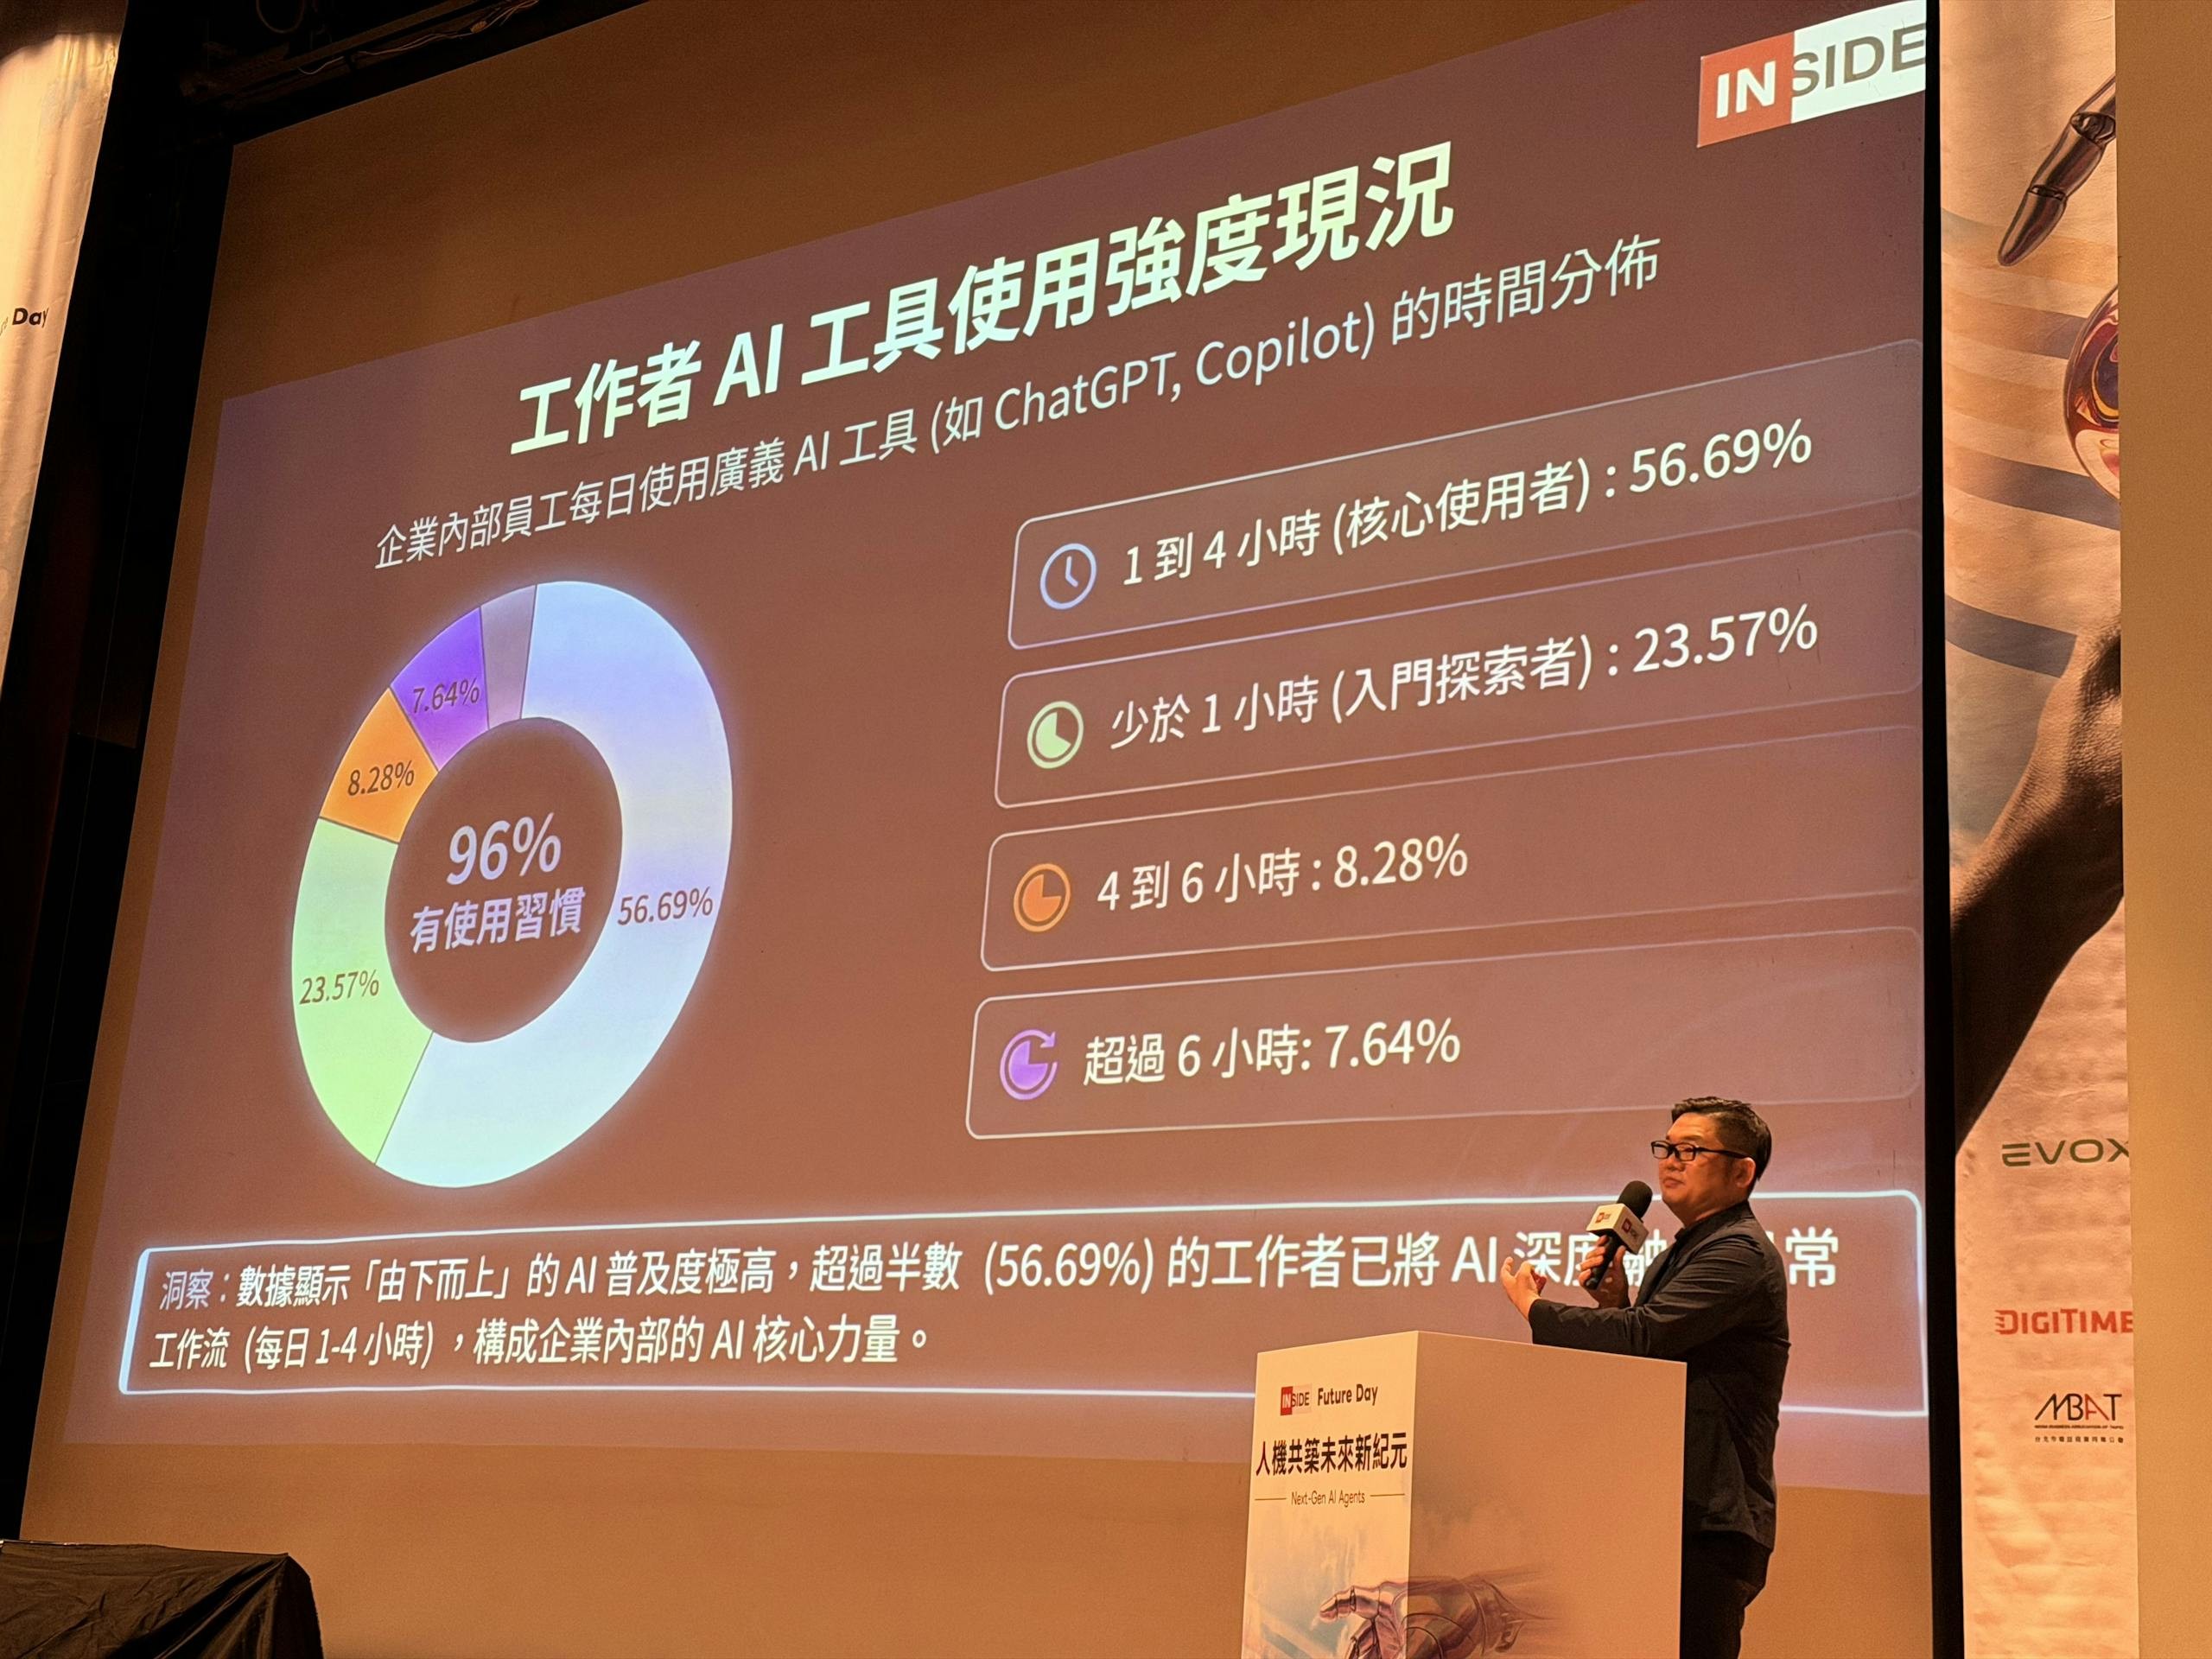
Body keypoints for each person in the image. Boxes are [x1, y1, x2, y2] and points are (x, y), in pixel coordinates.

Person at [1497, 1097, 1789, 1659]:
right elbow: (1654, 1353)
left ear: (1742, 1173)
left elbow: (1645, 1336)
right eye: (1667, 1148)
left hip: (1709, 1517)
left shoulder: (1740, 1252)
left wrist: (1534, 1307)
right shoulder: (1685, 1250)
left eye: (1692, 1150)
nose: (1670, 1161)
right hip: (1667, 1506)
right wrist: (1616, 1302)